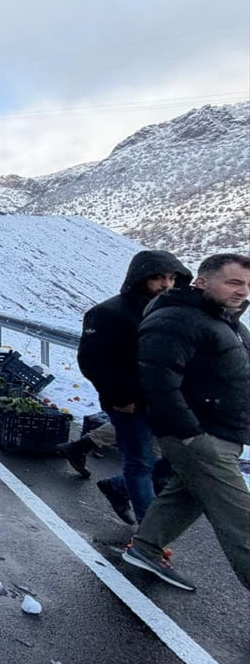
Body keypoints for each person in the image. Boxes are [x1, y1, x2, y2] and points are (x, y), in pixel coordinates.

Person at [121, 253, 250, 592]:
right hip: (200, 434)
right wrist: (192, 436)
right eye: (233, 282)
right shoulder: (178, 318)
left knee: (185, 495)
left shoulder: (225, 321)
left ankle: (146, 547)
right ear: (202, 282)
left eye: (248, 285)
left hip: (222, 431)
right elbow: (159, 382)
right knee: (242, 521)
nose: (242, 291)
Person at [75, 250, 191, 520]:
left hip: (169, 402)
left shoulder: (174, 312)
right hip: (131, 404)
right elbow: (91, 360)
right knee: (139, 464)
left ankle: (117, 487)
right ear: (140, 278)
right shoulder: (108, 313)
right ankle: (149, 541)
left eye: (173, 278)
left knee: (182, 460)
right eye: (158, 277)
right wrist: (119, 397)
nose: (167, 285)